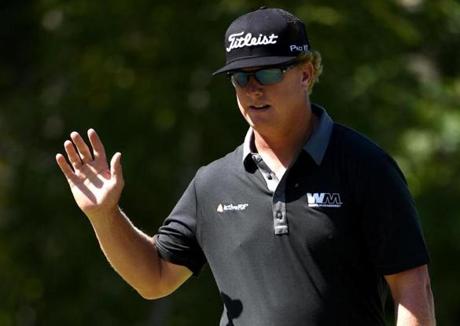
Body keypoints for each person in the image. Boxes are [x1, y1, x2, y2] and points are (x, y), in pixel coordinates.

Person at [56, 7, 436, 326]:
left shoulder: (365, 166)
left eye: (268, 73)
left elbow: (412, 288)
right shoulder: (213, 183)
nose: (253, 89)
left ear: (306, 74)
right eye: (241, 78)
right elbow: (154, 277)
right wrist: (104, 216)